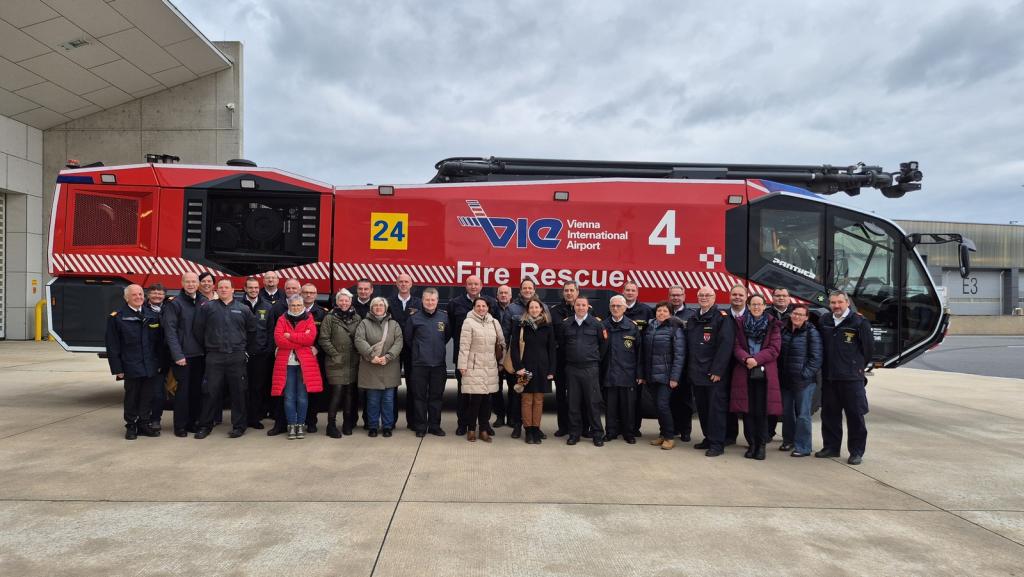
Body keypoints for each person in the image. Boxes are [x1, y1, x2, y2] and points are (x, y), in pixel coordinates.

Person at [192, 278, 257, 439]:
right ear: (216, 289)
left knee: (239, 392)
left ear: (233, 290)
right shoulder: (207, 308)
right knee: (209, 392)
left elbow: (252, 332)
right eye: (220, 287)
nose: (223, 290)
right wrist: (209, 347)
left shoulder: (243, 309)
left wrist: (245, 351)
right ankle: (205, 425)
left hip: (236, 356)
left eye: (226, 287)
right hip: (215, 356)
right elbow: (198, 330)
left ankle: (239, 426)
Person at [816, 290, 873, 465]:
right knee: (829, 415)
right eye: (833, 303)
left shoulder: (859, 322)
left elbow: (868, 350)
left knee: (855, 415)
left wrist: (855, 366)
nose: (836, 306)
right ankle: (831, 448)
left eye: (840, 302)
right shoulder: (824, 320)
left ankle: (856, 452)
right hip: (830, 377)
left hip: (851, 378)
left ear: (847, 303)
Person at [105, 284, 163, 439]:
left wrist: (159, 364)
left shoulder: (151, 314)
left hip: (150, 365)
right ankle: (131, 425)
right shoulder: (118, 317)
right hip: (131, 365)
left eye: (140, 294)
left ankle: (144, 423)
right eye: (134, 295)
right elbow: (112, 346)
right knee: (132, 397)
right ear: (126, 298)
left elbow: (158, 343)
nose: (138, 297)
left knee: (147, 396)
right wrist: (117, 368)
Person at [730, 294, 782, 460]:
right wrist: (746, 359)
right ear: (749, 305)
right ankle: (751, 444)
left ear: (765, 305)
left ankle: (761, 445)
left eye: (759, 304)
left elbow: (774, 349)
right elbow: (736, 346)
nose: (756, 307)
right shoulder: (740, 323)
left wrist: (756, 359)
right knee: (747, 411)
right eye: (753, 304)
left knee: (761, 411)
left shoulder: (773, 324)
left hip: (764, 373)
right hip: (745, 371)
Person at [447, 275, 498, 436]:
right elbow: (449, 330)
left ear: (481, 285)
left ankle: (484, 425)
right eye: (470, 284)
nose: (473, 286)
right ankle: (463, 424)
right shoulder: (455, 304)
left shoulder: (490, 303)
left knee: (486, 395)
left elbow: (496, 329)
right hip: (464, 358)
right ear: (465, 286)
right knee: (464, 393)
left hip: (486, 359)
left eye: (476, 284)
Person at [687, 286, 735, 457]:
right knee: (703, 408)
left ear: (715, 298)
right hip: (697, 372)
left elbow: (725, 346)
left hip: (713, 374)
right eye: (701, 295)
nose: (704, 297)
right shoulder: (693, 318)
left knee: (716, 410)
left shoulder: (722, 318)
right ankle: (708, 437)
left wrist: (718, 370)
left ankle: (717, 443)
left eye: (708, 295)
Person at [162, 272, 208, 437]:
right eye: (187, 282)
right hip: (183, 357)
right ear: (182, 283)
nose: (191, 284)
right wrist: (177, 355)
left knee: (196, 392)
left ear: (198, 283)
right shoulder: (175, 304)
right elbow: (170, 331)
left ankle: (192, 423)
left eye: (193, 282)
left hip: (200, 356)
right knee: (182, 393)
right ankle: (180, 426)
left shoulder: (204, 301)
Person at [271, 294, 323, 440]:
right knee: (288, 397)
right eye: (293, 305)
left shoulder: (309, 318)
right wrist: (300, 338)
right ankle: (291, 425)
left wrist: (290, 335)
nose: (296, 308)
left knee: (302, 396)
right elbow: (279, 340)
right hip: (286, 364)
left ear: (303, 306)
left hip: (304, 364)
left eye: (299, 305)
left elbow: (310, 338)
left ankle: (301, 424)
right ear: (289, 306)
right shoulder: (282, 319)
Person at [559, 296, 608, 446]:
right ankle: (574, 434)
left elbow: (604, 346)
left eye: (583, 305)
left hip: (590, 368)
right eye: (578, 305)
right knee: (573, 403)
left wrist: (594, 359)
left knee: (593, 403)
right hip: (572, 369)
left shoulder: (596, 324)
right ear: (574, 306)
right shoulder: (566, 324)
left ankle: (597, 434)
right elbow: (562, 346)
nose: (580, 307)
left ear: (588, 307)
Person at [404, 287, 451, 437]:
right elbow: (408, 339)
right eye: (427, 300)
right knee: (419, 397)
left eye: (433, 300)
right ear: (422, 301)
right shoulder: (414, 318)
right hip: (419, 365)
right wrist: (419, 350)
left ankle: (435, 426)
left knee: (436, 397)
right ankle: (420, 426)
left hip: (438, 364)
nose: (430, 302)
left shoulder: (444, 317)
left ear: (437, 301)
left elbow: (447, 336)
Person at [457, 297, 505, 442]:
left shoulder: (494, 322)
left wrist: (501, 362)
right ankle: (471, 429)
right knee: (475, 401)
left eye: (484, 306)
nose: (481, 308)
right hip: (474, 366)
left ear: (488, 308)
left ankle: (483, 430)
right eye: (478, 306)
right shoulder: (468, 322)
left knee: (487, 402)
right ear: (474, 307)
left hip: (490, 366)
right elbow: (464, 346)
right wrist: (462, 365)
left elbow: (502, 344)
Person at [354, 297, 403, 437]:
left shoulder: (394, 324)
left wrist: (388, 357)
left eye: (381, 305)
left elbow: (399, 342)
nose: (378, 307)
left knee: (388, 400)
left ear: (386, 308)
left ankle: (387, 426)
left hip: (389, 366)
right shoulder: (364, 323)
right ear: (371, 308)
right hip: (371, 366)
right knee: (373, 400)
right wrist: (371, 356)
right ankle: (373, 426)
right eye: (375, 305)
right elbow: (359, 339)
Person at [640, 302, 686, 450]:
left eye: (665, 311)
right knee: (657, 407)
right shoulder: (650, 328)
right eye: (659, 310)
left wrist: (674, 377)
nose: (661, 313)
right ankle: (662, 434)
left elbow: (679, 355)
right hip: (651, 375)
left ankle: (669, 437)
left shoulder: (675, 329)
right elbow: (644, 353)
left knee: (662, 405)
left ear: (670, 313)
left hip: (667, 377)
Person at [779, 304, 822, 457]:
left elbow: (816, 359)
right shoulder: (784, 331)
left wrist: (804, 374)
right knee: (787, 413)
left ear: (806, 317)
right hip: (786, 380)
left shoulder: (812, 333)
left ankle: (803, 447)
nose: (797, 317)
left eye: (801, 314)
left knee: (803, 414)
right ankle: (788, 440)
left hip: (804, 382)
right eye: (795, 313)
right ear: (791, 315)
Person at [511, 298, 556, 445]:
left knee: (538, 400)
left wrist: (551, 370)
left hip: (542, 369)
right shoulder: (520, 325)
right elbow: (515, 348)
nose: (534, 310)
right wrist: (518, 367)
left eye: (537, 307)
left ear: (541, 310)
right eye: (532, 307)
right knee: (526, 400)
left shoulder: (547, 326)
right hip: (526, 369)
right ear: (527, 310)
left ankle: (536, 429)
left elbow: (551, 350)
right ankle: (528, 430)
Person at [318, 289, 362, 438]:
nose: (344, 303)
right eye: (341, 300)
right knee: (336, 393)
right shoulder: (329, 318)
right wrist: (335, 354)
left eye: (347, 301)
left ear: (351, 302)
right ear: (337, 302)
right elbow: (324, 339)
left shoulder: (357, 318)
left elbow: (360, 338)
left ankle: (347, 423)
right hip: (335, 362)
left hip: (352, 361)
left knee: (350, 393)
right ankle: (331, 425)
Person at [602, 295, 642, 444]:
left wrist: (639, 373)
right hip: (609, 373)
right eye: (613, 306)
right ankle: (611, 432)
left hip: (627, 373)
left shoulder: (632, 327)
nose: (616, 308)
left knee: (628, 407)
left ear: (625, 308)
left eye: (619, 306)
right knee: (610, 407)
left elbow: (639, 352)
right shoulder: (603, 325)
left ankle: (628, 433)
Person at [265, 278, 302, 436]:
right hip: (281, 356)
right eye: (288, 288)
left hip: (301, 358)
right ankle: (279, 424)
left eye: (294, 288)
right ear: (284, 289)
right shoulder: (277, 308)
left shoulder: (304, 307)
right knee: (282, 393)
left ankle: (301, 423)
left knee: (300, 394)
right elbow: (272, 332)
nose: (292, 290)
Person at [387, 273, 421, 430]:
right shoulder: (388, 302)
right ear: (396, 284)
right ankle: (390, 421)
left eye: (406, 281)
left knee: (413, 385)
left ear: (411, 284)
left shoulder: (418, 303)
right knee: (392, 385)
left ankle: (412, 421)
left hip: (412, 349)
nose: (403, 284)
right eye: (400, 281)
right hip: (392, 349)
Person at [621, 281, 653, 439]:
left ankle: (635, 427)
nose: (630, 293)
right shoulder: (616, 306)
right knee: (620, 397)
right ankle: (621, 426)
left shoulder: (646, 311)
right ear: (623, 291)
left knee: (636, 398)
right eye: (627, 290)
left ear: (637, 293)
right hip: (620, 359)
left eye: (633, 290)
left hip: (638, 358)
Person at [241, 277, 273, 430]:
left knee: (257, 387)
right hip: (241, 353)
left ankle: (254, 418)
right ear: (245, 288)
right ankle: (242, 418)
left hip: (260, 354)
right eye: (250, 288)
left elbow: (271, 330)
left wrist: (268, 349)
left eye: (256, 288)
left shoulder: (267, 306)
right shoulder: (238, 305)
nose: (253, 290)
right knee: (242, 387)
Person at [550, 281, 580, 438]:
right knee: (561, 395)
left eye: (572, 290)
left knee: (578, 395)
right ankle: (563, 427)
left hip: (578, 361)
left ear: (577, 292)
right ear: (563, 293)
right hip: (561, 360)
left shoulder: (585, 309)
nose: (569, 293)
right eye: (566, 290)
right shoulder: (554, 311)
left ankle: (579, 427)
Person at [667, 285, 697, 442]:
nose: (675, 298)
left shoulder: (691, 314)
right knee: (668, 400)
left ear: (684, 296)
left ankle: (685, 430)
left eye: (678, 295)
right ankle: (672, 429)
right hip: (666, 363)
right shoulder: (663, 312)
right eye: (673, 295)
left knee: (684, 400)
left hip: (684, 364)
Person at [300, 283, 328, 433]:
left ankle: (311, 421)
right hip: (296, 356)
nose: (309, 295)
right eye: (306, 292)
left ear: (316, 295)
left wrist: (317, 347)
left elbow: (325, 335)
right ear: (301, 293)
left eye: (312, 293)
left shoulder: (322, 313)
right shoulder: (293, 310)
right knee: (296, 390)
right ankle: (296, 421)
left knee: (313, 390)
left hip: (314, 357)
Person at [143, 283, 170, 432]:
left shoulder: (168, 309)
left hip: (166, 358)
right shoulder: (142, 311)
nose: (157, 296)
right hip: (150, 360)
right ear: (148, 295)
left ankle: (155, 419)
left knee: (160, 393)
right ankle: (148, 420)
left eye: (160, 294)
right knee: (151, 392)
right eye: (154, 293)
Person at [492, 284, 518, 434]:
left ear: (510, 296)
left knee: (513, 387)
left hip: (511, 354)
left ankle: (512, 417)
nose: (503, 295)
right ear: (497, 295)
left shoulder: (515, 309)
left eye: (505, 293)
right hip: (495, 353)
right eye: (500, 293)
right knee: (496, 387)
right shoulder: (492, 309)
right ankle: (500, 416)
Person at [353, 278, 375, 429]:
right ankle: (351, 421)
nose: (363, 291)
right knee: (352, 389)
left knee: (369, 390)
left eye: (366, 289)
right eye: (360, 289)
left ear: (371, 290)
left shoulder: (377, 306)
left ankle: (368, 421)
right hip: (353, 353)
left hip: (371, 354)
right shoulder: (349, 305)